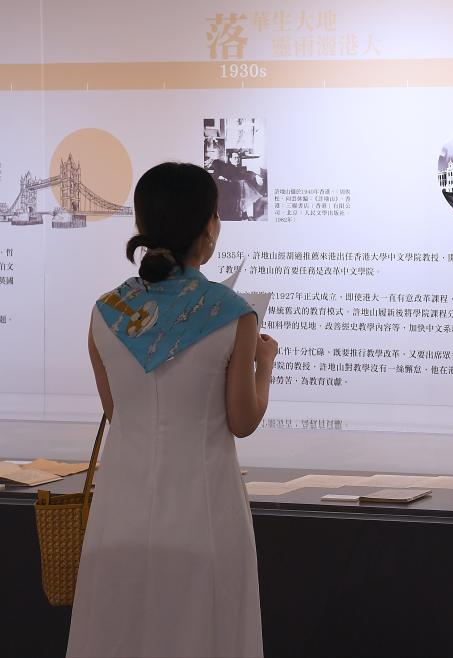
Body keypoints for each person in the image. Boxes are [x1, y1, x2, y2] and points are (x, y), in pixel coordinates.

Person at [67, 162, 277, 658]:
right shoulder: (232, 312)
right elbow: (243, 421)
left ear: (142, 225)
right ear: (208, 228)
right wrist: (264, 364)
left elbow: (118, 413)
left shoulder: (106, 312)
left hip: (118, 517)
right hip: (204, 517)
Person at [209, 150, 265, 220]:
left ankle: (246, 214)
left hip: (239, 189)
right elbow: (217, 175)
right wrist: (221, 177)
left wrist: (256, 175)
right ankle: (245, 214)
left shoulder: (239, 168)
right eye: (235, 157)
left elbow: (247, 173)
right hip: (230, 188)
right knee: (244, 183)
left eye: (238, 158)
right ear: (230, 159)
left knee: (245, 183)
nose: (237, 159)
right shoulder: (227, 167)